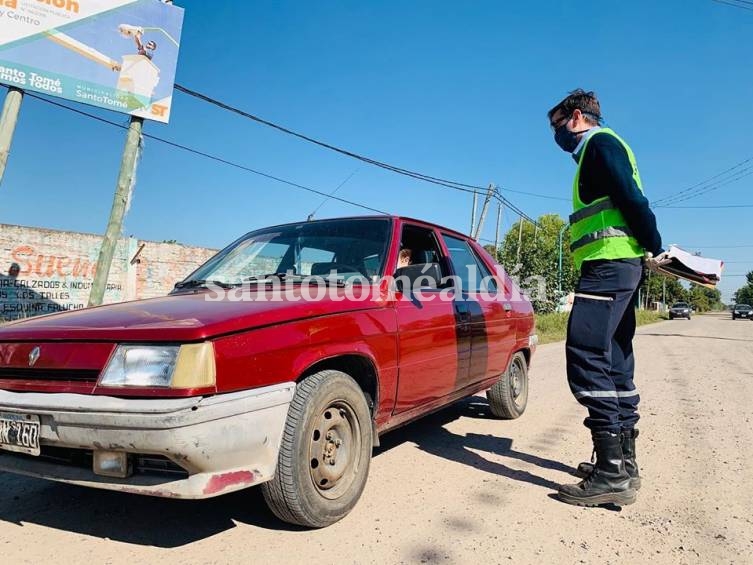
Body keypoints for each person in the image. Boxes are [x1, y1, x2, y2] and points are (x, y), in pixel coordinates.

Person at [547, 89, 667, 507]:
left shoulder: (600, 145)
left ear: (577, 117)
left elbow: (633, 199)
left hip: (608, 265)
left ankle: (611, 471)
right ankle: (624, 462)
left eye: (557, 126)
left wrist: (655, 244)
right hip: (620, 266)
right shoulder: (605, 148)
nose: (557, 136)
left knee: (586, 354)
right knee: (614, 357)